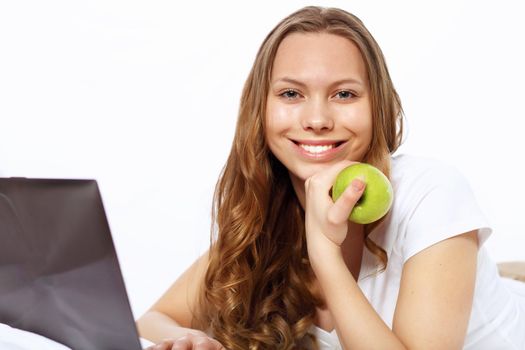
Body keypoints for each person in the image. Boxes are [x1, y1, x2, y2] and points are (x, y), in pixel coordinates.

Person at [137, 6, 525, 350]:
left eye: (344, 94)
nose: (317, 120)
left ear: (378, 106)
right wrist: (192, 338)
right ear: (260, 109)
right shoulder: (270, 219)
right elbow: (153, 320)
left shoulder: (432, 193)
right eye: (291, 94)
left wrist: (324, 253)